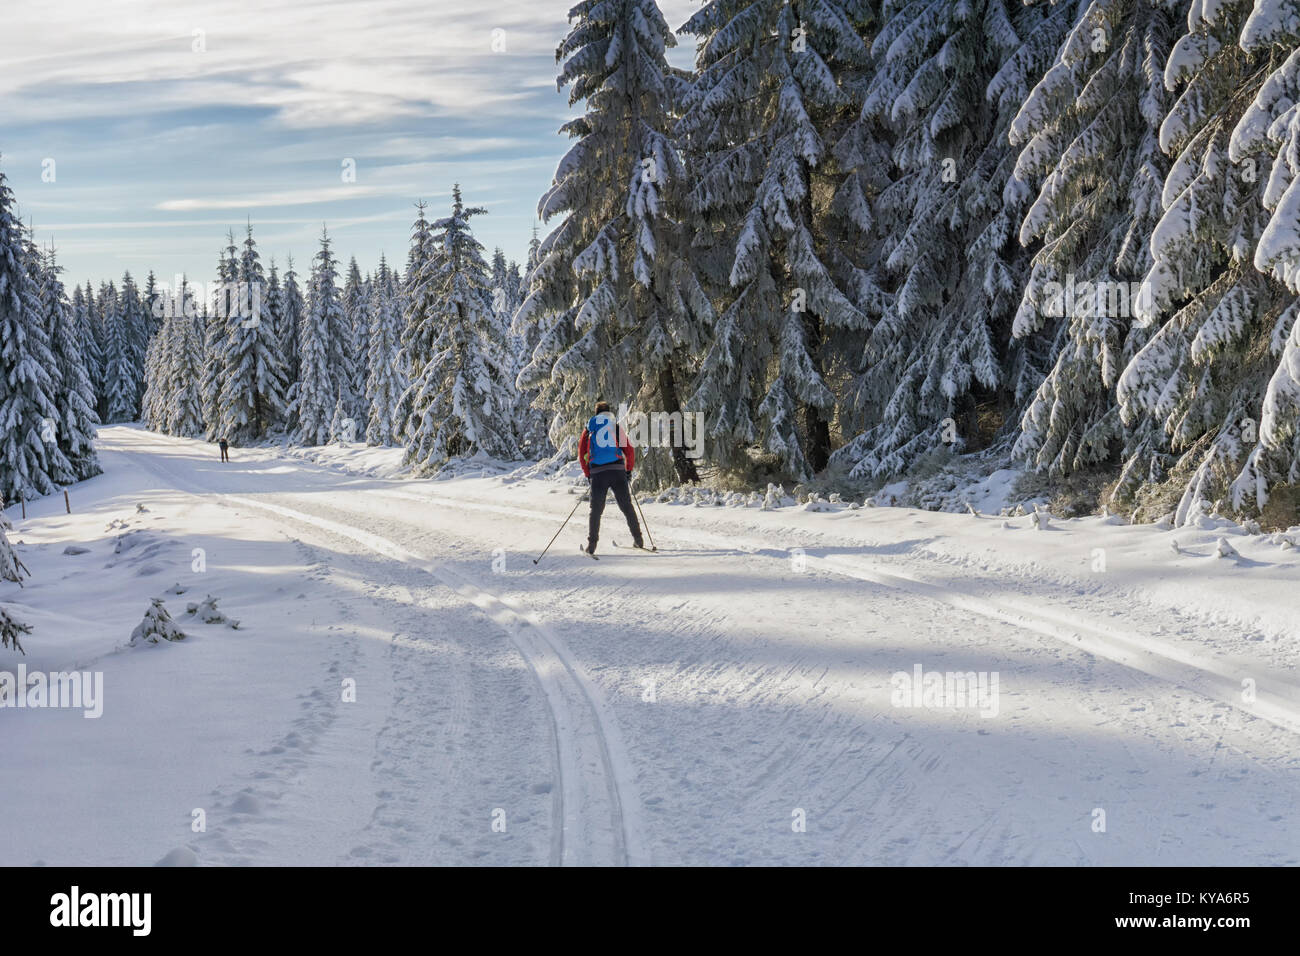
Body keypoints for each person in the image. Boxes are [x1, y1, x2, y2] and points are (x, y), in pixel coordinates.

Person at [579, 401, 642, 555]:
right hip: (617, 470)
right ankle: (638, 540)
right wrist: (628, 470)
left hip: (598, 473)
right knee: (626, 506)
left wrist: (588, 474)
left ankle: (592, 545)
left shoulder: (589, 429)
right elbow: (629, 450)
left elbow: (582, 454)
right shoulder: (615, 427)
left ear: (596, 414)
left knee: (596, 510)